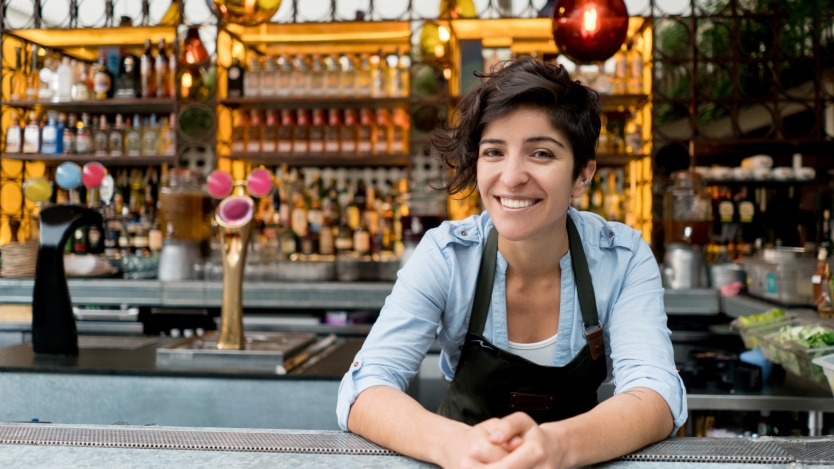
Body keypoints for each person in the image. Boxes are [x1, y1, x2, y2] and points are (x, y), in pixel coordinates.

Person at [337, 57, 686, 469]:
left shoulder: (621, 257)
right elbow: (365, 387)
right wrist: (455, 446)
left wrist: (556, 446)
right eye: (494, 152)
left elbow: (656, 393)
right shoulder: (447, 255)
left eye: (541, 153)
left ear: (582, 174)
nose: (512, 176)